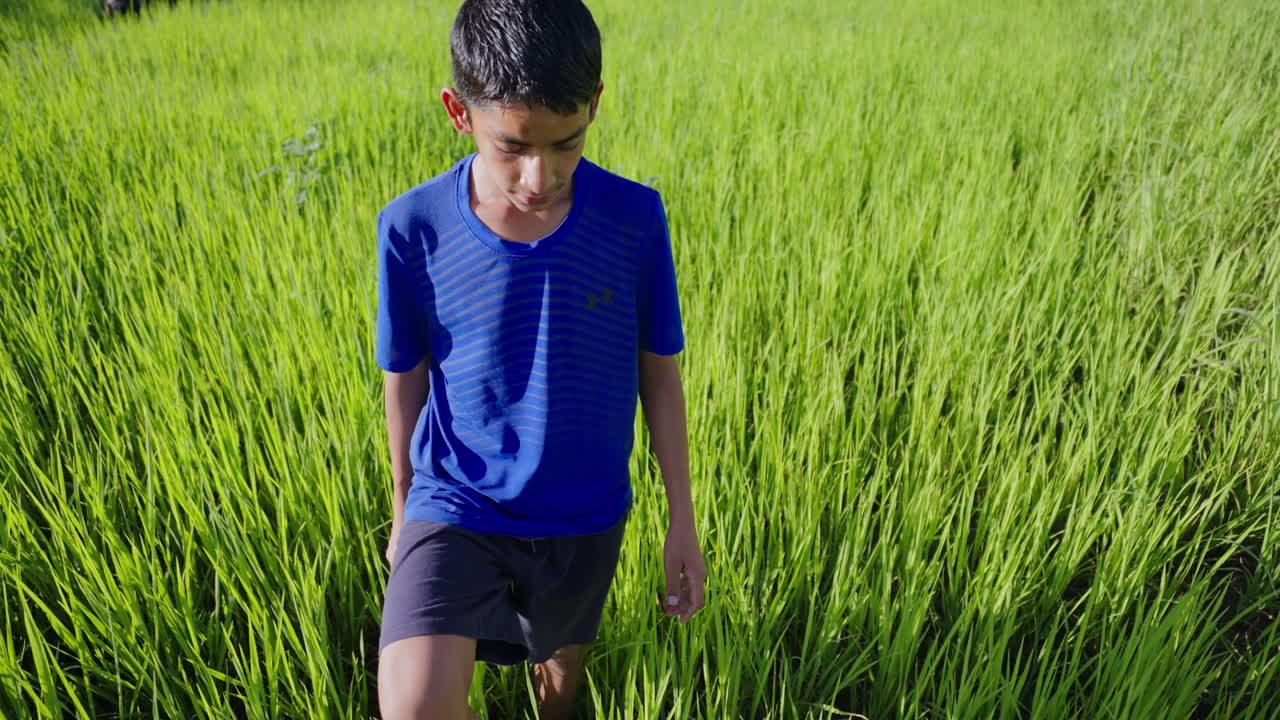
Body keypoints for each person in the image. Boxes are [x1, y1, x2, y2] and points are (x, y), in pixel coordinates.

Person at [373, 1, 706, 717]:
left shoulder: (634, 221)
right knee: (414, 706)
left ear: (594, 105)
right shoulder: (412, 229)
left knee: (558, 682)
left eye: (566, 145)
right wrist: (403, 507)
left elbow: (659, 374)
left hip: (582, 512)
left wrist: (683, 517)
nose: (538, 175)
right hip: (456, 500)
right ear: (458, 113)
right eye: (512, 147)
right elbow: (405, 378)